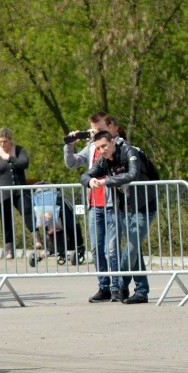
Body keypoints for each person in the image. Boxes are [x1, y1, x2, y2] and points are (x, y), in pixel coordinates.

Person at [80, 131, 157, 305]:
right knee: (134, 250)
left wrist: (107, 180)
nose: (102, 150)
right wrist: (89, 181)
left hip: (144, 207)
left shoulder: (129, 152)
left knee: (130, 249)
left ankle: (121, 284)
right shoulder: (103, 159)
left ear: (113, 141)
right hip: (124, 209)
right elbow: (85, 175)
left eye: (105, 146)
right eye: (99, 148)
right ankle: (141, 291)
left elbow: (132, 175)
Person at [64, 112, 122, 302]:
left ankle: (117, 286)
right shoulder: (90, 147)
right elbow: (71, 163)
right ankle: (103, 286)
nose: (95, 132)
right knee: (97, 249)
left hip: (113, 203)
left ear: (110, 127)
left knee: (111, 248)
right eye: (93, 128)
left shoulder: (118, 144)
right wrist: (69, 145)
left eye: (99, 128)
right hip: (94, 203)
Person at [0, 127, 37, 259]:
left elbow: (24, 163)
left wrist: (9, 158)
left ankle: (36, 238)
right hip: (2, 191)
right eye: (1, 141)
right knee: (5, 219)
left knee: (27, 210)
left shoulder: (18, 150)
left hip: (19, 189)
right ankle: (9, 249)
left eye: (5, 141)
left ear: (11, 141)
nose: (3, 144)